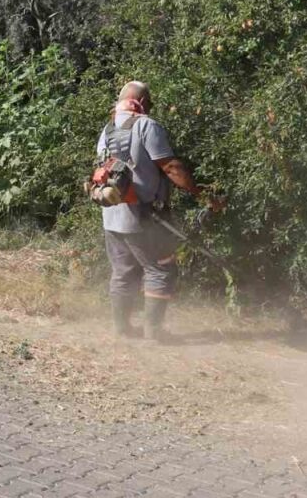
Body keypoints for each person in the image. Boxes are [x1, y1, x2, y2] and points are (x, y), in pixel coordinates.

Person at [91, 81, 220, 341]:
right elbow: (171, 167)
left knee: (123, 271)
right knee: (161, 269)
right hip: (144, 217)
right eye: (150, 103)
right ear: (143, 101)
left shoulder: (106, 130)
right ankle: (154, 331)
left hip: (111, 215)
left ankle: (122, 329)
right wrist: (203, 195)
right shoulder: (146, 126)